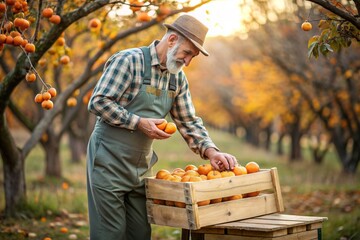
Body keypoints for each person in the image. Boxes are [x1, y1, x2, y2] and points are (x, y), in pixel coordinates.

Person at [86, 14, 238, 240]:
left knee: (140, 233)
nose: (187, 62)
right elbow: (98, 102)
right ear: (172, 39)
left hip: (140, 168)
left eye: (192, 57)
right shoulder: (128, 61)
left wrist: (211, 151)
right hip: (108, 161)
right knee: (110, 234)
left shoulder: (177, 79)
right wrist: (137, 122)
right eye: (187, 53)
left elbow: (188, 121)